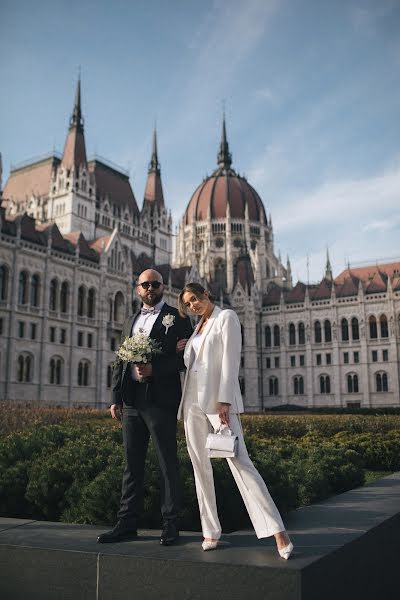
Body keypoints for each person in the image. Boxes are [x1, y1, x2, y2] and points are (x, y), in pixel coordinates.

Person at [177, 282, 294, 559]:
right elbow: (194, 363)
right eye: (188, 303)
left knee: (241, 462)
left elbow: (231, 361)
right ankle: (210, 531)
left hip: (216, 401)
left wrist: (225, 401)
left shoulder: (225, 317)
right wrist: (185, 348)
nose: (193, 305)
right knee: (199, 466)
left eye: (195, 299)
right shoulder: (198, 327)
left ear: (206, 294)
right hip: (191, 400)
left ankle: (278, 531)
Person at [97, 269, 192, 545]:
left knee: (166, 463)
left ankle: (171, 524)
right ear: (138, 289)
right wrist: (115, 397)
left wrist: (155, 368)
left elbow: (186, 359)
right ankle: (126, 523)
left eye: (155, 284)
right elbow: (121, 360)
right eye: (145, 284)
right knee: (131, 465)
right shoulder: (131, 320)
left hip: (160, 399)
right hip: (131, 400)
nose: (150, 288)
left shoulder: (178, 319)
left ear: (164, 288)